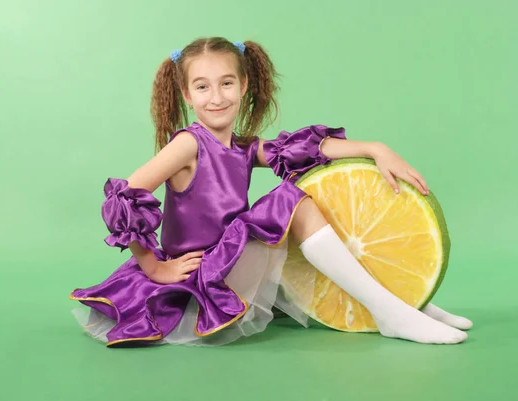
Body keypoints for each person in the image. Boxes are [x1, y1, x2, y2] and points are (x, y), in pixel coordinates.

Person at [69, 37, 473, 347]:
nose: (217, 97)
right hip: (204, 277)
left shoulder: (243, 148)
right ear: (188, 95)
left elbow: (307, 150)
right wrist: (155, 267)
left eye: (226, 83)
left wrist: (374, 148)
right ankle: (391, 314)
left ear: (243, 85)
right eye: (203, 87)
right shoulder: (188, 144)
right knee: (290, 201)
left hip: (231, 261)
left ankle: (402, 301)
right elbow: (126, 194)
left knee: (305, 193)